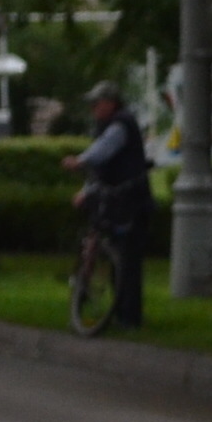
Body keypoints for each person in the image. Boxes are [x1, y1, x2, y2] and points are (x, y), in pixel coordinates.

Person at [59, 81, 148, 329]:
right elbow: (101, 169)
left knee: (127, 261)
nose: (93, 109)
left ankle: (129, 318)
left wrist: (80, 161)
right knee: (117, 258)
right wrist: (86, 191)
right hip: (117, 201)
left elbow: (103, 151)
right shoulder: (107, 125)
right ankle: (119, 313)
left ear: (110, 103)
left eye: (96, 103)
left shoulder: (120, 125)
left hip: (132, 202)